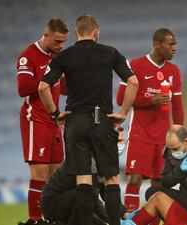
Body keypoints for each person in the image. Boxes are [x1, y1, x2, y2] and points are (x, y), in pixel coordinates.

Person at [38, 14, 139, 225]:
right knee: (111, 178)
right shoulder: (110, 53)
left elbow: (43, 86)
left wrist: (55, 113)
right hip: (101, 120)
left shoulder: (64, 56)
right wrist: (123, 112)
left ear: (76, 33)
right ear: (96, 32)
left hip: (76, 122)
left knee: (82, 178)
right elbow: (133, 81)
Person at [116, 28, 184, 212]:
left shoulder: (174, 71)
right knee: (135, 178)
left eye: (175, 44)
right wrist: (149, 100)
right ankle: (130, 221)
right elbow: (121, 99)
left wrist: (180, 136)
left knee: (159, 183)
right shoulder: (134, 66)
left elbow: (177, 107)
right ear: (157, 44)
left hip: (163, 137)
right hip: (140, 132)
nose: (174, 48)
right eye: (170, 44)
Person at [17, 18, 69, 225]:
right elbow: (22, 88)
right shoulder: (28, 56)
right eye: (57, 41)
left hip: (54, 121)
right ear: (46, 36)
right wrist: (47, 81)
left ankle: (53, 218)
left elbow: (63, 88)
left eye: (64, 42)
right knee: (39, 174)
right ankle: (35, 219)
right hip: (34, 120)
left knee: (55, 175)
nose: (61, 46)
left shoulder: (57, 57)